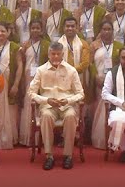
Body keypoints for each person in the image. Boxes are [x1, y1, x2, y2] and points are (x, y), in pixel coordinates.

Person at [27, 41, 84, 170]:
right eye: (53, 54)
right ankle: (49, 156)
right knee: (46, 116)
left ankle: (68, 155)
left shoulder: (71, 70)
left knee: (70, 116)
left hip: (66, 106)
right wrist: (46, 100)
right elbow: (31, 92)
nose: (56, 57)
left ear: (63, 54)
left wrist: (68, 101)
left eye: (58, 54)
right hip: (48, 106)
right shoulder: (41, 70)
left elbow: (80, 94)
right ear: (49, 54)